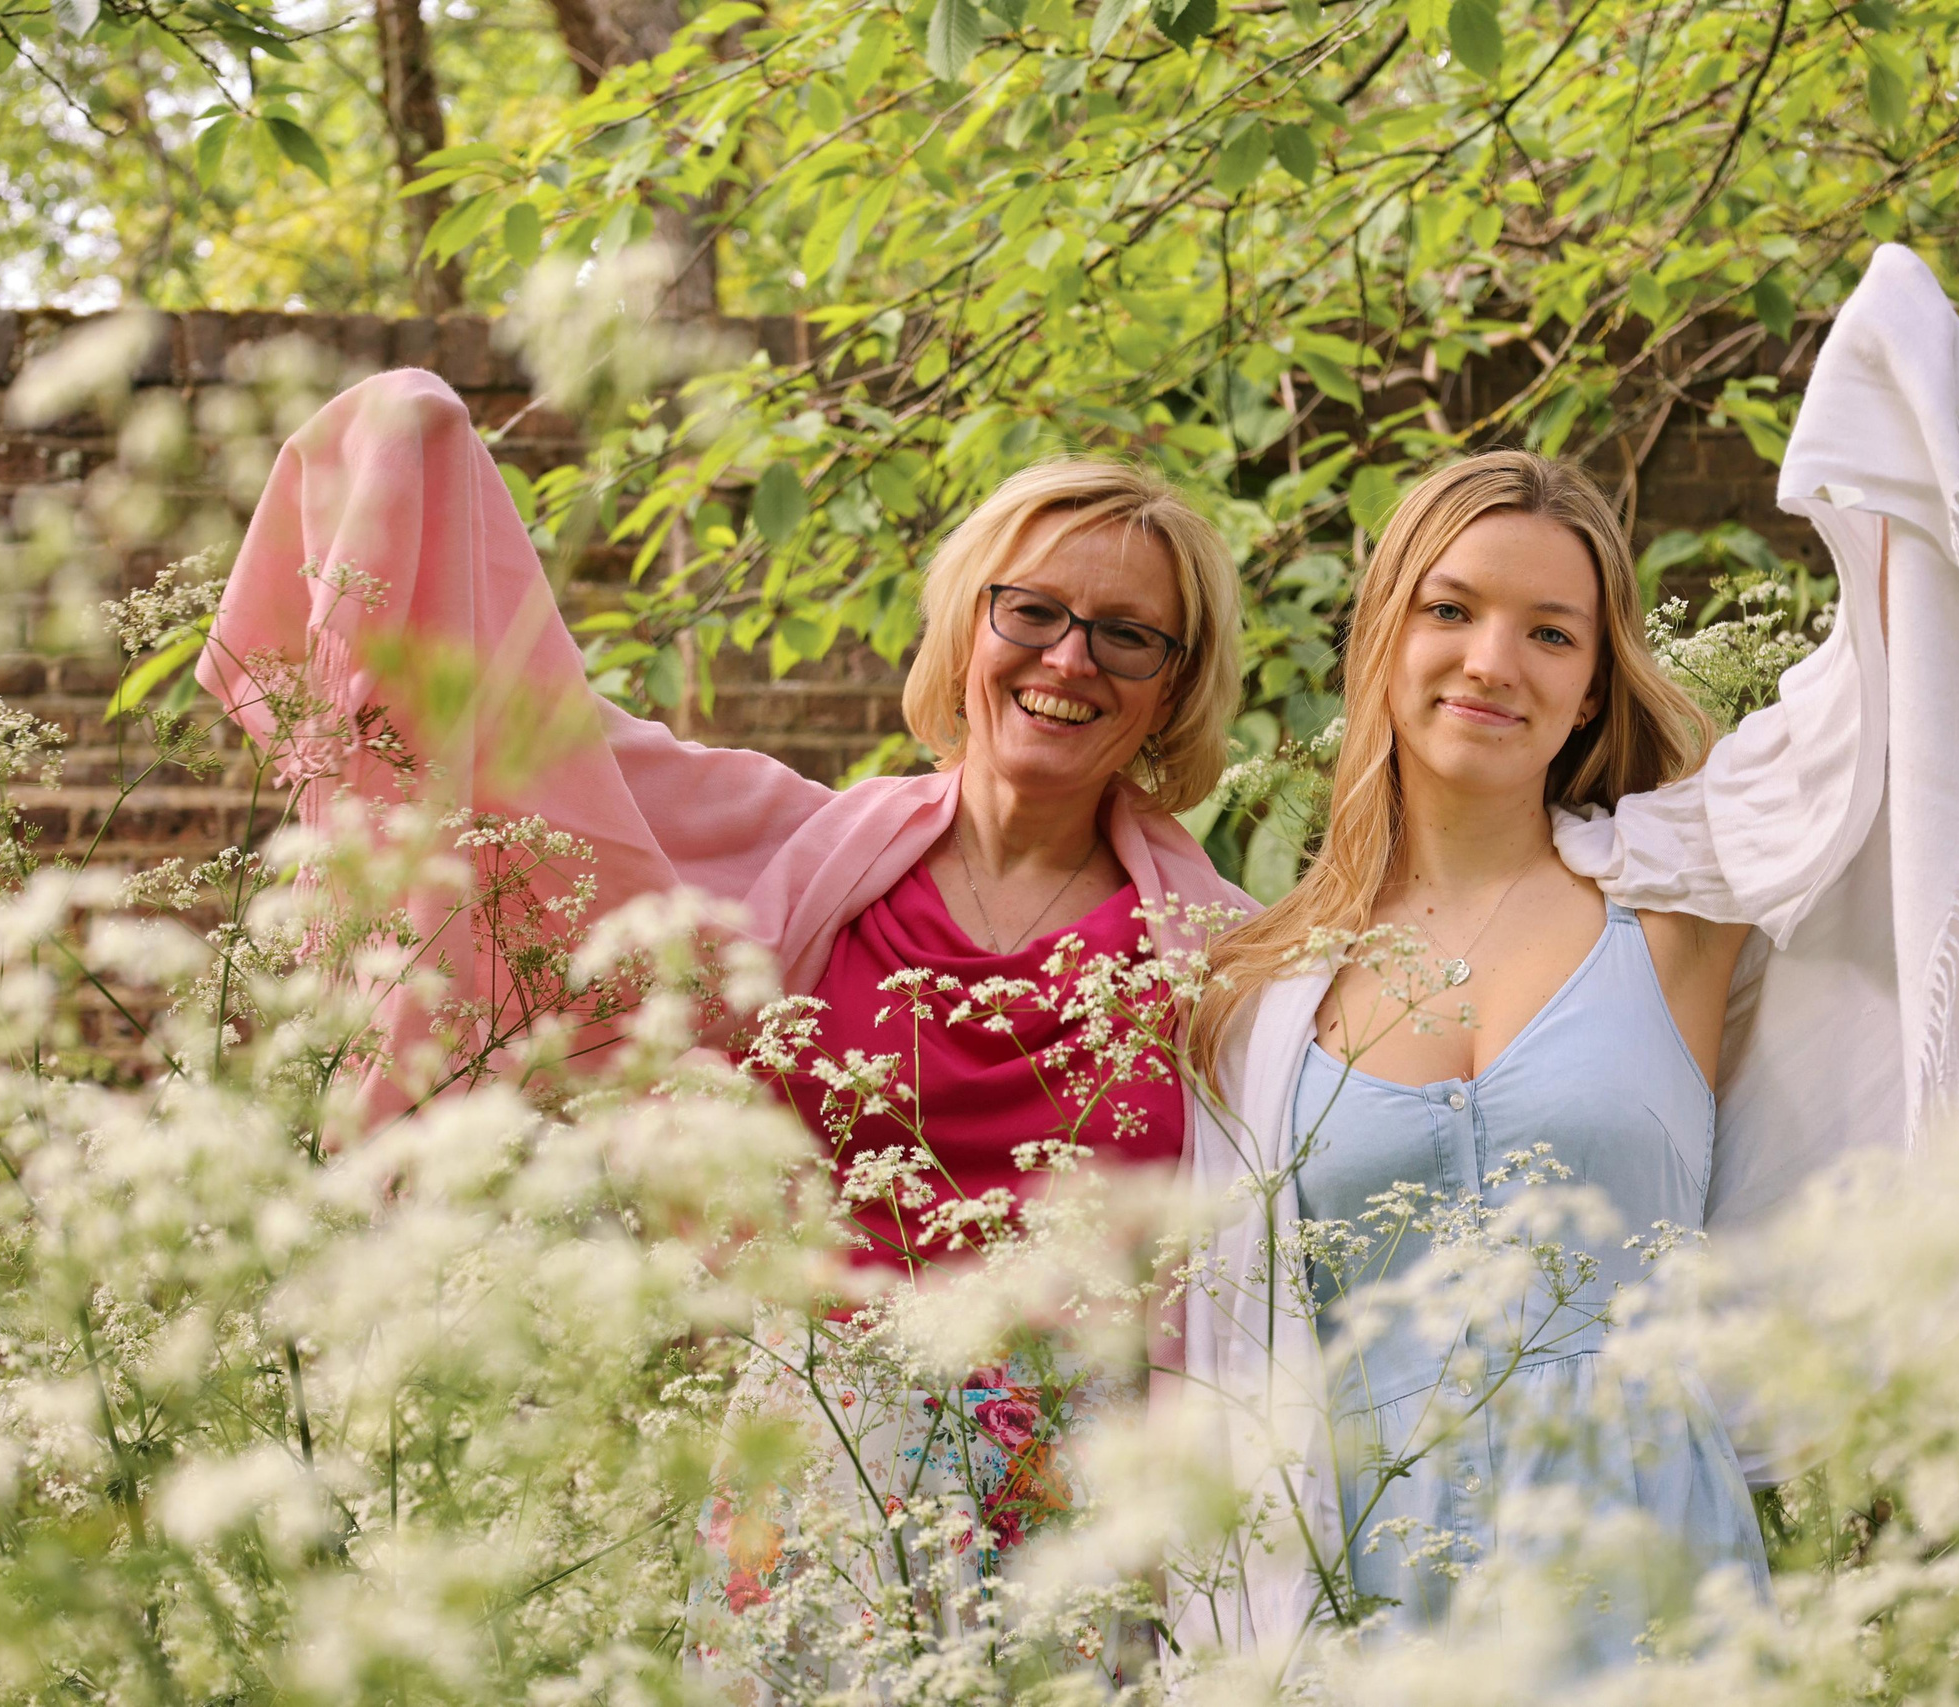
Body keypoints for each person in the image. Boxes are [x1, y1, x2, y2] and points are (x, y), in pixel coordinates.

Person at [196, 375, 1253, 1679]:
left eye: (1127, 636)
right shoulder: (797, 857)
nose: (1069, 658)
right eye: (1030, 611)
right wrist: (408, 442)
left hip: (1080, 1516)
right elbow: (526, 746)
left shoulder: (1230, 961)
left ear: (1175, 689)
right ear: (967, 627)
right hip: (806, 1481)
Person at [1174, 244, 1959, 1662]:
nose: (1490, 661)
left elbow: (1888, 729)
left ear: (1590, 686)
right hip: (1366, 1595)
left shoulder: (1677, 907)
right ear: (1386, 637)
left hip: (1652, 1585)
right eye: (1450, 610)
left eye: (1548, 632)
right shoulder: (1261, 988)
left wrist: (1885, 364)